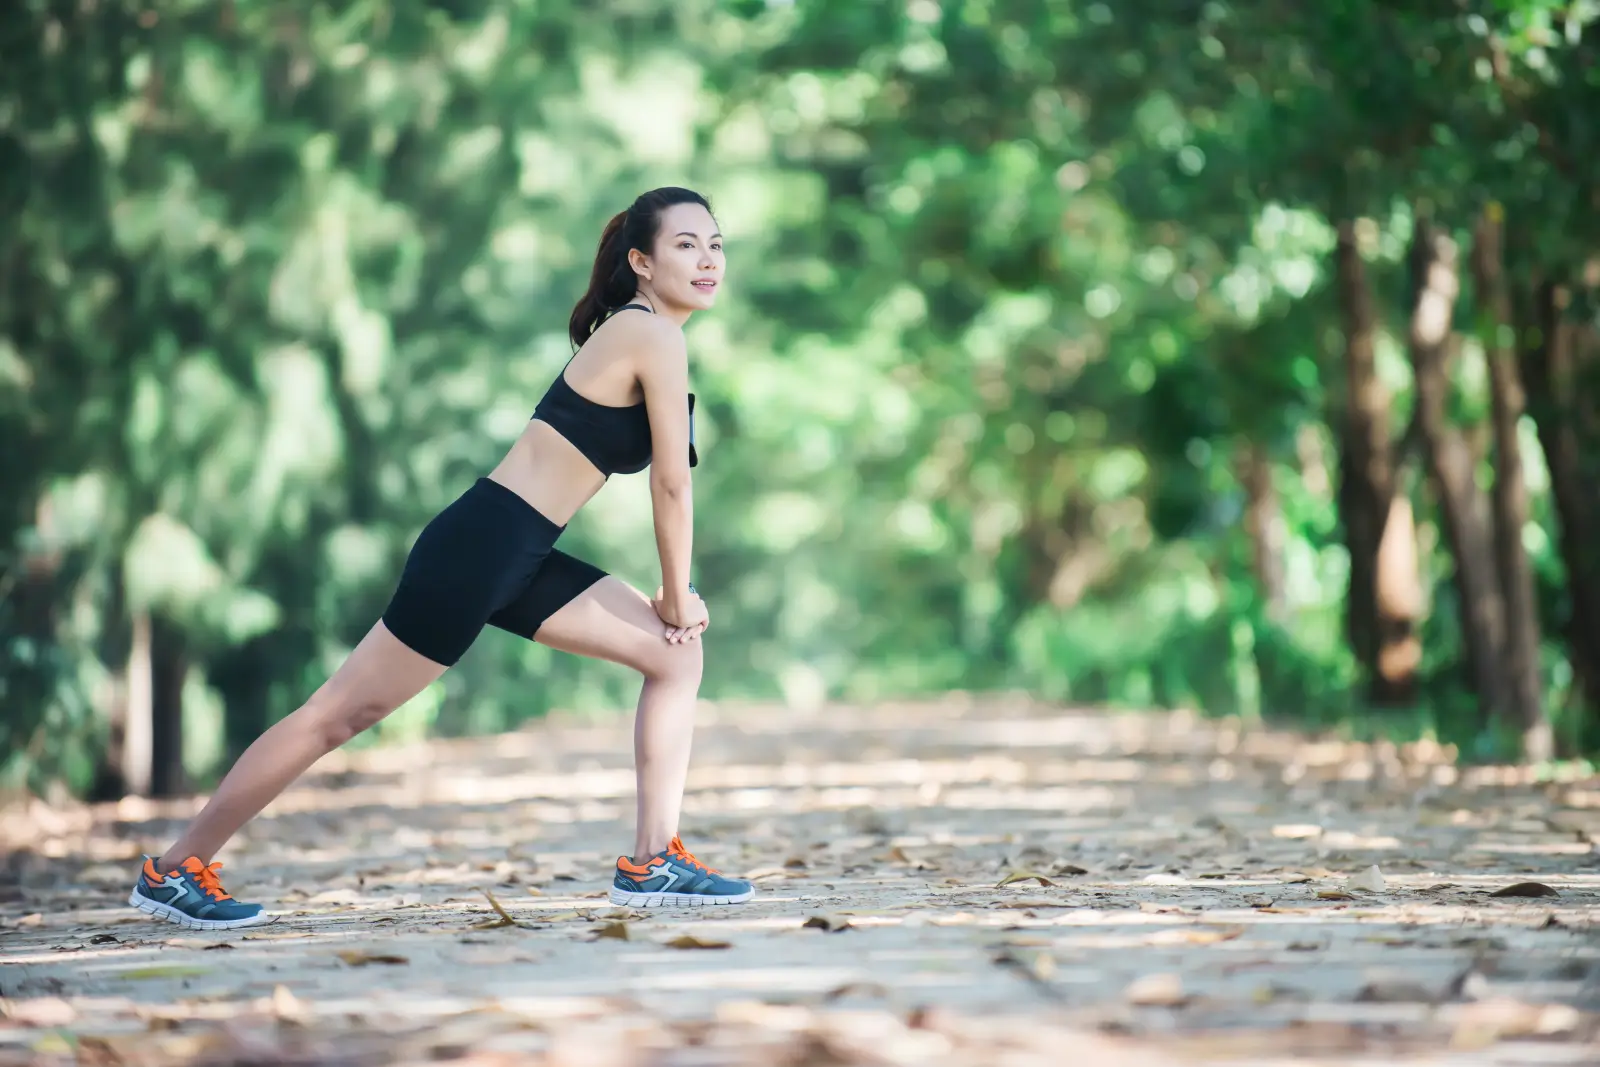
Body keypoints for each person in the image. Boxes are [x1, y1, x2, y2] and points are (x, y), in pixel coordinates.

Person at [127, 187, 754, 930]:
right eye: (686, 244)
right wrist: (676, 592)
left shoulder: (650, 335)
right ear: (642, 262)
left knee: (674, 657)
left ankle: (652, 860)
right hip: (481, 546)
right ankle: (173, 869)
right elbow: (672, 483)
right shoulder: (650, 334)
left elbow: (667, 478)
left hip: (520, 548)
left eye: (715, 244)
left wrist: (675, 605)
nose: (708, 258)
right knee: (336, 714)